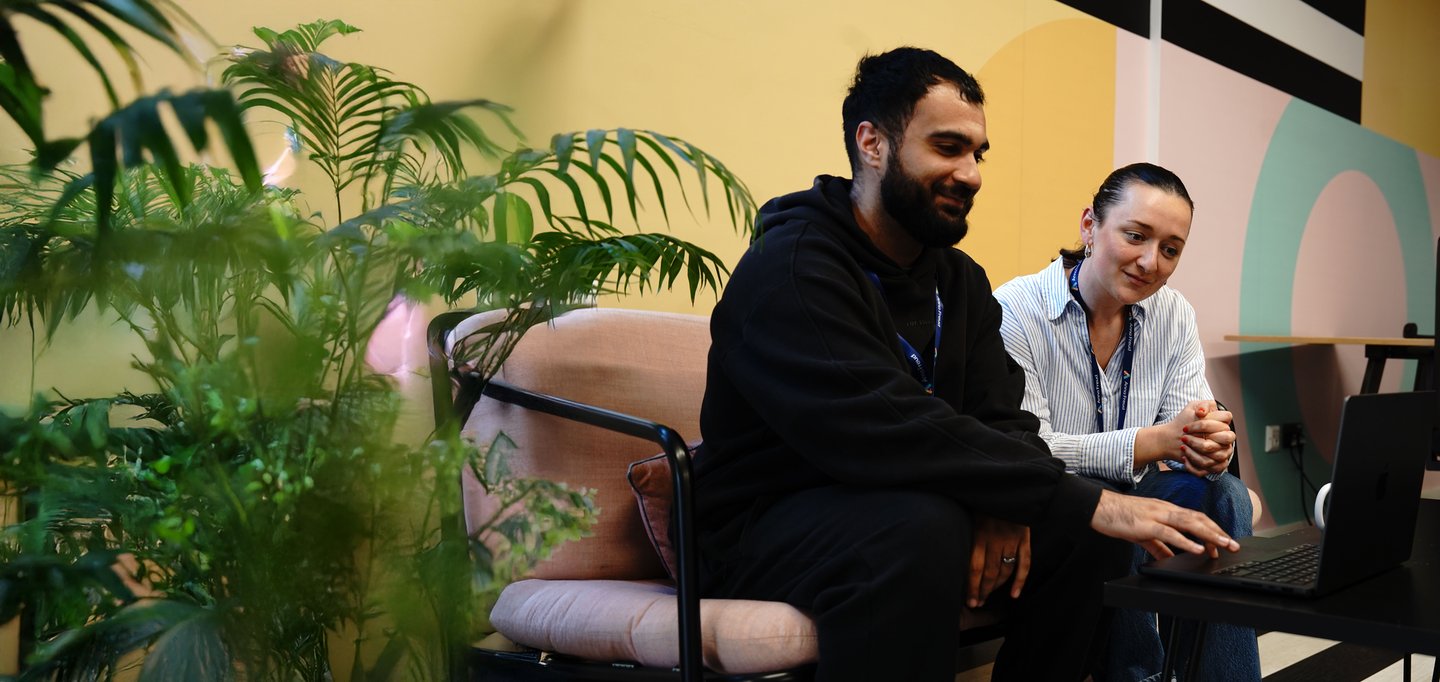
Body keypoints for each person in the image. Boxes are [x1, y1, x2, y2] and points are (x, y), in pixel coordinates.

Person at [692, 47, 1239, 682]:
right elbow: (882, 427)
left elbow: (1002, 418)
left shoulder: (959, 279)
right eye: (948, 147)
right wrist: (1074, 498)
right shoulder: (791, 270)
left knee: (1088, 538)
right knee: (925, 528)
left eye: (978, 153)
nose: (972, 172)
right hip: (767, 525)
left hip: (910, 500)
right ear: (872, 143)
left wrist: (1013, 501)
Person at [993, 163, 1261, 682]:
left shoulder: (1173, 313)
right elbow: (1028, 447)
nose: (1149, 262)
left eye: (1170, 249)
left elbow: (1192, 422)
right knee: (1112, 515)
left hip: (1147, 489)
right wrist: (1154, 441)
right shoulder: (1016, 309)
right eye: (1135, 236)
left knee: (1225, 494)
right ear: (1090, 225)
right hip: (1059, 503)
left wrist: (1210, 445)